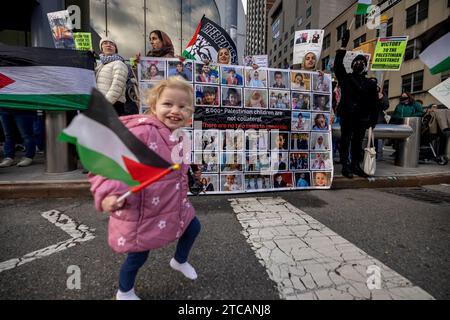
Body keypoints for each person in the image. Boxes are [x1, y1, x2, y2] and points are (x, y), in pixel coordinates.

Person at [88, 76, 200, 300]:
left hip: (173, 203)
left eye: (182, 106)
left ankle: (179, 260)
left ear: (190, 113)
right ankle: (124, 291)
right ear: (154, 106)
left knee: (193, 227)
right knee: (138, 256)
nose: (175, 110)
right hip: (143, 210)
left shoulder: (179, 135)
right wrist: (110, 193)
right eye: (168, 104)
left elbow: (177, 164)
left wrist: (192, 171)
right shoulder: (145, 132)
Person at [334, 29, 379, 179]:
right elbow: (337, 65)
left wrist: (373, 120)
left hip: (362, 117)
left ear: (366, 66)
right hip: (347, 115)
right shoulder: (345, 78)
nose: (359, 64)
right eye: (357, 62)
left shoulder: (370, 83)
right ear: (352, 65)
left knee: (358, 141)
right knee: (345, 140)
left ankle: (355, 165)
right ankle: (346, 166)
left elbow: (374, 103)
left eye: (362, 62)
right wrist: (343, 45)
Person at [95, 37, 129, 116]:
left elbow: (117, 87)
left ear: (115, 49)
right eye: (105, 43)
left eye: (111, 44)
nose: (108, 45)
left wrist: (105, 104)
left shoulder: (119, 63)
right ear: (101, 48)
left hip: (113, 106)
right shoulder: (100, 65)